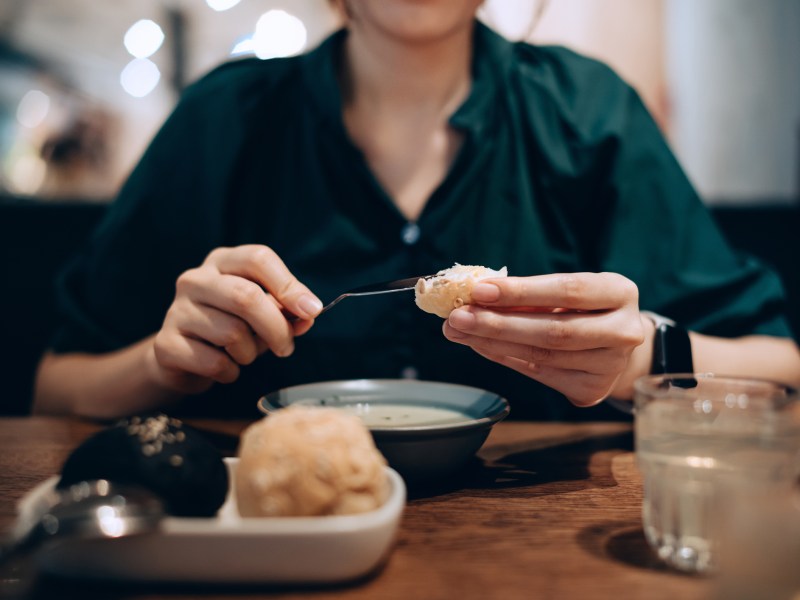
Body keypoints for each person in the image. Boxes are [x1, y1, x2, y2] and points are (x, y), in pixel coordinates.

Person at [33, 0, 800, 421]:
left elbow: (781, 369)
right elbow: (55, 388)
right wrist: (167, 364)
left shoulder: (590, 114)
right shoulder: (221, 120)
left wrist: (640, 361)